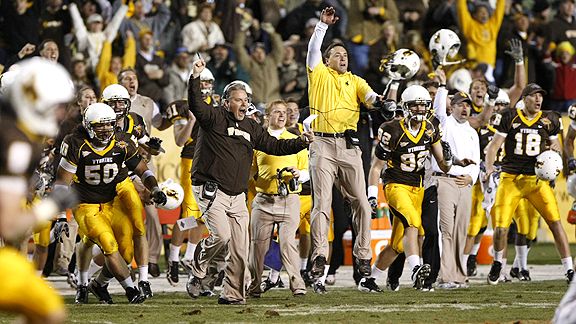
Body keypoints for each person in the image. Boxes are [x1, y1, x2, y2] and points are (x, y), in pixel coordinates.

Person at [185, 58, 314, 305]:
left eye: (246, 99)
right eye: (238, 99)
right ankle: (199, 262)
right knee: (221, 236)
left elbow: (273, 145)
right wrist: (195, 77)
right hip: (211, 189)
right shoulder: (213, 118)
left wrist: (301, 141)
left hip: (237, 195)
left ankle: (231, 294)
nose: (244, 103)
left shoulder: (252, 127)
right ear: (225, 102)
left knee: (241, 249)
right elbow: (195, 104)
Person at [56, 103, 167, 304]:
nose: (106, 129)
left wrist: (155, 188)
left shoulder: (121, 141)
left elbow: (144, 170)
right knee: (107, 242)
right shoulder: (76, 142)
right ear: (89, 126)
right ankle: (131, 290)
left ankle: (96, 284)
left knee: (125, 251)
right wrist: (61, 216)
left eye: (109, 125)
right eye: (100, 126)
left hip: (112, 201)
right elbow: (62, 183)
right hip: (85, 203)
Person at [362, 85, 469, 292]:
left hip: (418, 188)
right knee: (413, 222)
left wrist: (450, 159)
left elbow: (442, 164)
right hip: (396, 185)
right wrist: (372, 196)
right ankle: (415, 269)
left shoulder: (430, 128)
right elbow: (376, 167)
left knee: (398, 245)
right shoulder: (391, 129)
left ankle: (370, 279)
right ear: (405, 107)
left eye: (423, 105)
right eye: (416, 106)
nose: (420, 110)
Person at [306, 7, 385, 284]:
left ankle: (363, 256)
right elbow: (313, 48)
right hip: (323, 145)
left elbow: (371, 96)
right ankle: (319, 256)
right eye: (337, 55)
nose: (342, 58)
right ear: (325, 61)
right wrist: (322, 26)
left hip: (349, 148)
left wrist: (382, 102)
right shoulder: (318, 74)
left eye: (345, 55)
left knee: (362, 204)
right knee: (322, 204)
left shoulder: (355, 81)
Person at [0, 57, 75, 324]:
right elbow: (9, 226)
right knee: (48, 310)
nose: (60, 113)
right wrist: (51, 206)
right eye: (56, 105)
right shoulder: (15, 142)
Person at [485, 83, 574, 285]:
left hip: (536, 181)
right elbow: (494, 146)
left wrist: (555, 150)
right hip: (511, 179)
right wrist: (490, 167)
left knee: (555, 223)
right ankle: (498, 263)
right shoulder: (509, 117)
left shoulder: (550, 118)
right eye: (534, 96)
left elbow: (556, 144)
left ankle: (568, 269)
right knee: (501, 227)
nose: (538, 99)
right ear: (524, 98)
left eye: (540, 96)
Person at [248, 100, 308, 298]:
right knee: (258, 245)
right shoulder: (258, 141)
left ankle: (297, 284)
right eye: (277, 112)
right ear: (267, 116)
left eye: (284, 112)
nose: (282, 115)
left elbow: (308, 170)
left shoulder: (295, 140)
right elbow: (250, 172)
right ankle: (255, 285)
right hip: (263, 199)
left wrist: (299, 174)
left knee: (287, 242)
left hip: (289, 199)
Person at [432, 90, 481, 289]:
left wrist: (471, 177)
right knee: (446, 230)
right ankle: (445, 276)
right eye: (461, 104)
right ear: (451, 106)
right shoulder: (445, 124)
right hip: (445, 180)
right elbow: (437, 111)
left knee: (461, 231)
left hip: (465, 183)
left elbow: (477, 161)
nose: (465, 108)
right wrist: (442, 87)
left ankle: (459, 275)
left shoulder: (472, 132)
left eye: (467, 105)